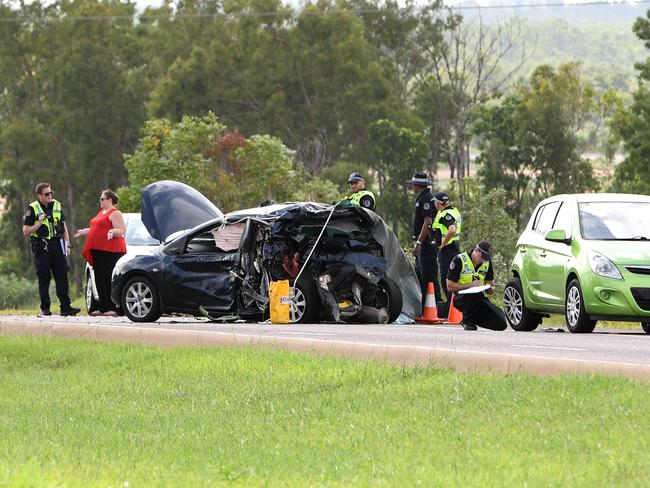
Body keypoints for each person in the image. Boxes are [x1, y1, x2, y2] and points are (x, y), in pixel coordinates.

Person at [22, 183, 80, 317]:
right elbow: (26, 231)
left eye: (50, 193)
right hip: (42, 247)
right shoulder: (33, 208)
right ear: (39, 195)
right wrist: (39, 223)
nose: (50, 196)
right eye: (46, 194)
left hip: (57, 245)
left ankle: (66, 307)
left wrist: (68, 244)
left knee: (62, 275)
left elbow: (63, 226)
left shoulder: (57, 205)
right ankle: (45, 308)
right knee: (44, 277)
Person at [74, 190, 127, 316]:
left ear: (109, 200)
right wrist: (85, 231)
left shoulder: (115, 213)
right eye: (100, 199)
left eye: (102, 199)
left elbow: (122, 230)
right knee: (99, 278)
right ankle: (102, 307)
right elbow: (97, 228)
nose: (100, 201)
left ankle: (113, 308)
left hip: (110, 251)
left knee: (108, 278)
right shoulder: (101, 212)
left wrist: (113, 232)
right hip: (98, 250)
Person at [446, 240, 507, 331]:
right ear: (476, 250)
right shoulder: (459, 260)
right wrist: (470, 286)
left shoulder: (486, 263)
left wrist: (490, 287)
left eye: (486, 258)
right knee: (475, 295)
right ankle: (467, 320)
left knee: (501, 323)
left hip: (480, 298)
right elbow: (449, 286)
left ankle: (473, 318)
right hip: (462, 298)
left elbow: (491, 289)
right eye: (482, 257)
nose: (483, 260)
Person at [406, 171, 442, 313]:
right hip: (422, 246)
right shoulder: (422, 198)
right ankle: (424, 309)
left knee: (429, 278)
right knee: (420, 277)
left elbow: (428, 222)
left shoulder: (427, 199)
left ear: (418, 185)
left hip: (426, 246)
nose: (412, 186)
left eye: (414, 184)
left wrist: (419, 243)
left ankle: (436, 309)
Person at [431, 191, 461, 301]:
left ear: (438, 203)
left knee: (446, 279)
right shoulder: (454, 211)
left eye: (434, 201)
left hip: (447, 250)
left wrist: (442, 245)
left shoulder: (445, 215)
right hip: (455, 248)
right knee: (454, 277)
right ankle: (455, 306)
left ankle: (452, 307)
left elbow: (452, 230)